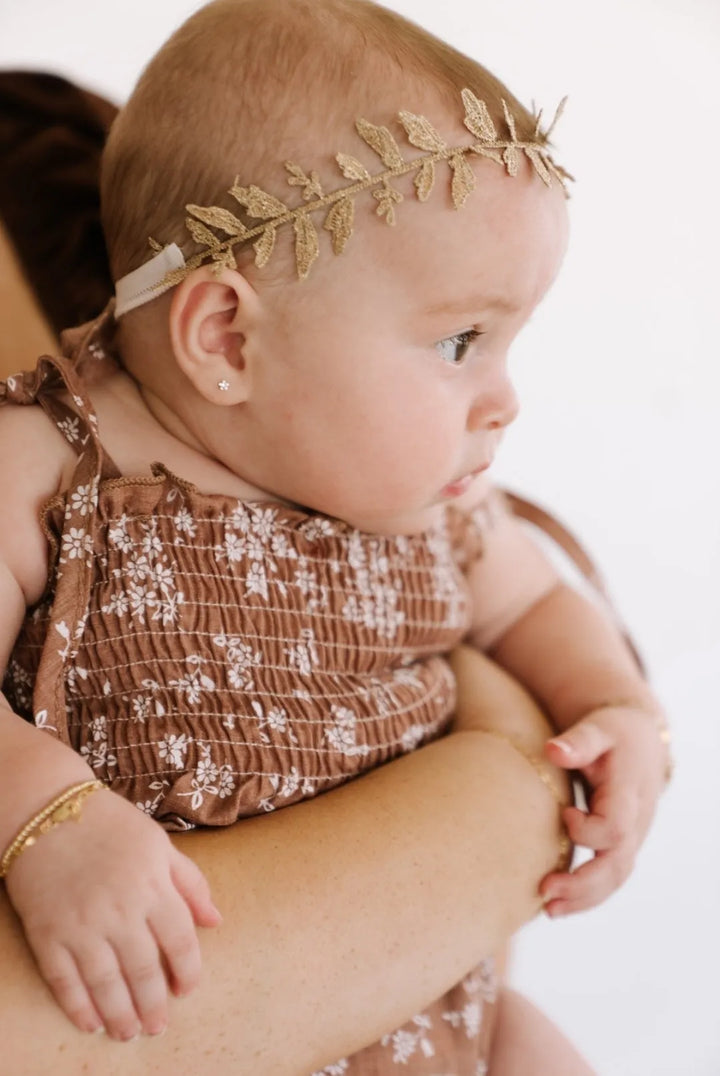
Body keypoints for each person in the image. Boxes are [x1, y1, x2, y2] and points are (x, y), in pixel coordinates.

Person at [0, 1, 671, 1072]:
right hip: (197, 1019)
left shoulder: (430, 504)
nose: (505, 401)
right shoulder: (48, 467)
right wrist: (42, 811)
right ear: (225, 335)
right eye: (461, 340)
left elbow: (539, 604)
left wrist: (620, 714)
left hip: (444, 1012)